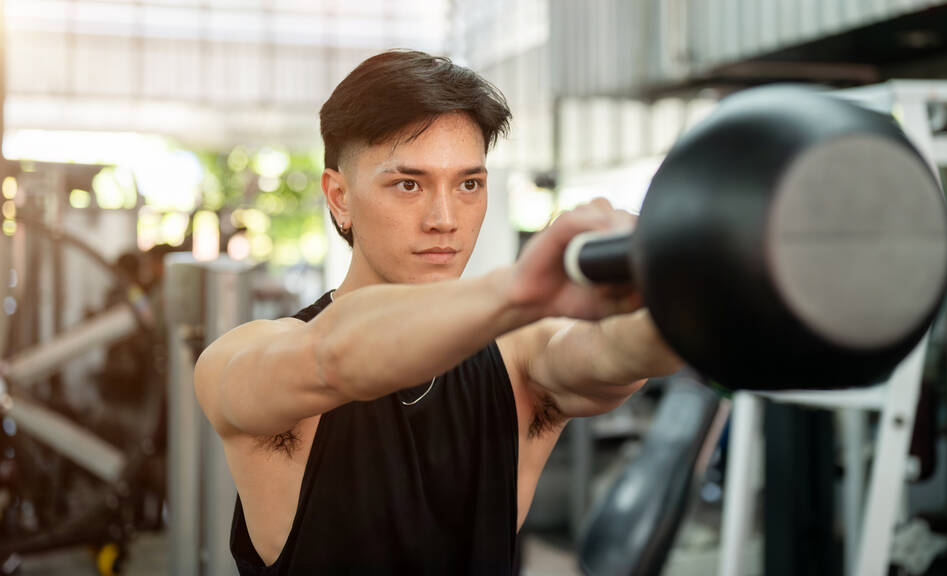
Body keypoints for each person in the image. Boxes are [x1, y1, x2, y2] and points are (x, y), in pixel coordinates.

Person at [193, 50, 683, 575]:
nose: (445, 219)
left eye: (468, 184)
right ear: (339, 196)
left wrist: (687, 298)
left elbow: (617, 355)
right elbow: (334, 355)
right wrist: (520, 289)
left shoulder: (519, 361)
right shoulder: (242, 358)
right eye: (409, 184)